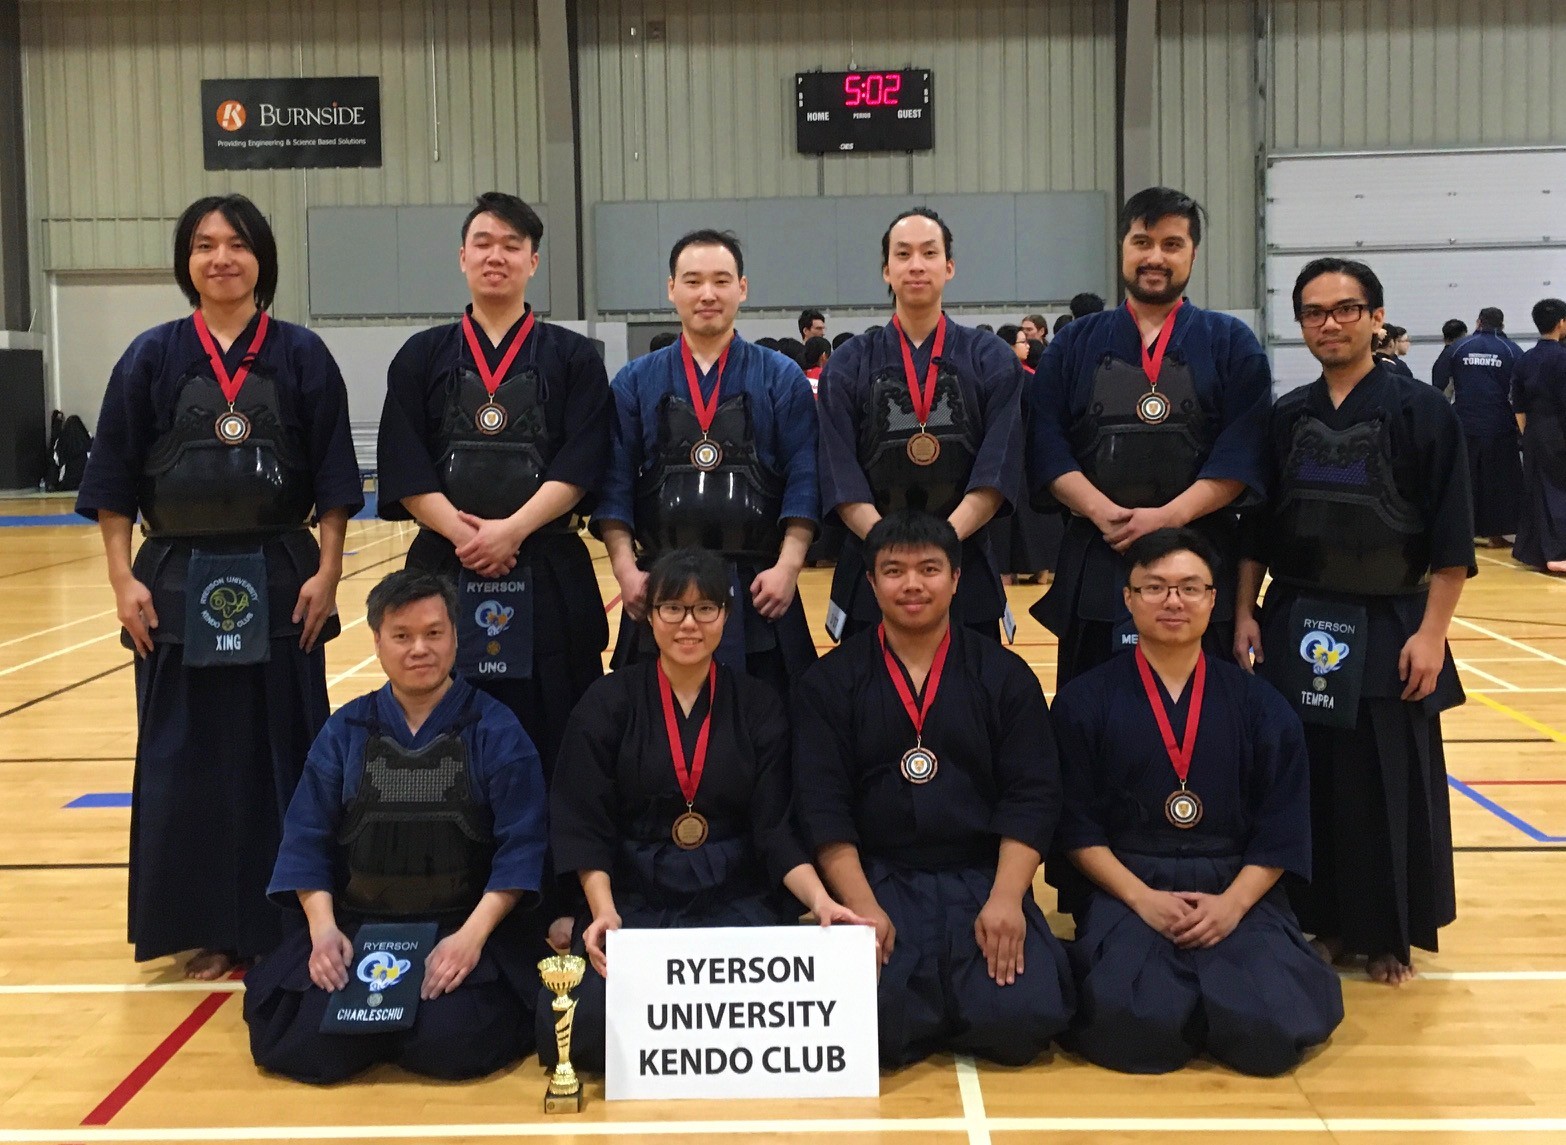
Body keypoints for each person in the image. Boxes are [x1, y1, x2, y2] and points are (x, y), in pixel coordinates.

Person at [75, 194, 361, 979]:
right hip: (173, 582)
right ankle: (201, 924)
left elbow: (335, 481)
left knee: (286, 747)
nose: (221, 258)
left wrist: (328, 571)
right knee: (186, 756)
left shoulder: (301, 355)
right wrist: (122, 576)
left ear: (262, 258)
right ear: (187, 262)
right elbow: (112, 483)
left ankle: (288, 918)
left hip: (280, 575)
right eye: (204, 246)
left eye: (236, 244)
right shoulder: (150, 356)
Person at [1234, 256, 1474, 987]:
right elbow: (1257, 530)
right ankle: (1321, 919)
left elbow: (1450, 539)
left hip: (1390, 621)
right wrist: (1244, 609)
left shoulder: (1424, 413)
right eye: (1313, 312)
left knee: (1384, 779)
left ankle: (1387, 933)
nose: (1328, 323)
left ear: (1375, 317)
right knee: (1309, 776)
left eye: (1344, 309)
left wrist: (1432, 632)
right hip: (1299, 615)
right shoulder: (1286, 417)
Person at [542, 548, 868, 1072]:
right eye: (673, 609)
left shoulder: (759, 704)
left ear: (726, 618)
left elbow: (777, 826)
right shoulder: (607, 702)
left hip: (734, 894)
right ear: (650, 617)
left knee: (785, 1028)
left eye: (705, 610)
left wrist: (821, 901)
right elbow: (585, 819)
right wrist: (602, 910)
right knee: (584, 1035)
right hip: (636, 895)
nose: (688, 625)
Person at [1053, 528, 1342, 1076]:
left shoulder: (1261, 705)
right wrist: (1141, 899)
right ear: (1128, 599)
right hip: (1131, 879)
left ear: (1214, 599)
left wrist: (1232, 905)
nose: (1173, 601)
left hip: (1234, 881)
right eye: (1155, 587)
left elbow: (1281, 827)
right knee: (1130, 1028)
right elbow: (1075, 827)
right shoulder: (1083, 702)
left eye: (1190, 588)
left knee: (1271, 1030)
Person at [793, 510, 1075, 1067]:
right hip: (880, 879)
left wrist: (1006, 898)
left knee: (1021, 1024)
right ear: (870, 583)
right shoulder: (830, 683)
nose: (913, 585)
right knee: (871, 1032)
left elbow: (1032, 795)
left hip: (980, 878)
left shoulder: (1006, 676)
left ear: (957, 578)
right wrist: (862, 907)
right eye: (894, 571)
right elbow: (822, 806)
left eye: (929, 569)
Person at [244, 571, 548, 1083]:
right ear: (378, 643)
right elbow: (305, 840)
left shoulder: (496, 729)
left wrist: (471, 939)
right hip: (357, 931)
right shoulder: (345, 729)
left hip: (458, 929)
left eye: (434, 633)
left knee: (451, 1046)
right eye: (402, 636)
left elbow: (522, 847)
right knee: (307, 1048)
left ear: (456, 636)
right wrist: (323, 933)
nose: (419, 650)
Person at [376, 192, 610, 782]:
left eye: (513, 245)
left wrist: (511, 531)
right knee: (446, 729)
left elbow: (581, 463)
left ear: (533, 262)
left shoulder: (574, 357)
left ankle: (556, 870)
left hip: (547, 565)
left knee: (557, 732)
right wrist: (466, 535)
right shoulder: (420, 356)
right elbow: (406, 466)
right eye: (483, 243)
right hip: (445, 569)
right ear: (462, 257)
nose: (496, 256)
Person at [1028, 186, 1271, 692]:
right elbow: (1046, 441)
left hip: (1201, 564)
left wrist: (1167, 519)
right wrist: (1101, 512)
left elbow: (1240, 453)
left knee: (1203, 728)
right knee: (1090, 719)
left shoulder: (1231, 343)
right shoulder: (1075, 342)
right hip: (1099, 563)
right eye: (1142, 242)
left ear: (1193, 253)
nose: (1154, 257)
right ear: (1122, 248)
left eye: (1171, 244)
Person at [596, 230, 820, 695]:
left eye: (721, 280)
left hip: (760, 585)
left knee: (770, 728)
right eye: (693, 281)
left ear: (743, 288)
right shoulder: (635, 381)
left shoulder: (781, 376)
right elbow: (614, 482)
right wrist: (625, 570)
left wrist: (789, 567)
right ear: (671, 288)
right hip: (661, 583)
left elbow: (805, 475)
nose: (707, 294)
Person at [817, 207, 1023, 643]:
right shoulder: (849, 363)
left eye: (929, 253)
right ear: (886, 270)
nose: (916, 265)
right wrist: (891, 553)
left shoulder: (992, 358)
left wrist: (940, 546)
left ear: (948, 267)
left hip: (964, 566)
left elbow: (997, 465)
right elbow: (839, 470)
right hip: (872, 569)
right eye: (903, 254)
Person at [1433, 307, 1525, 546]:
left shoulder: (1458, 348)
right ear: (1502, 325)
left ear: (1478, 322)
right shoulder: (1511, 350)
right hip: (1500, 428)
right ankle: (1498, 532)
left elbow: (1441, 386)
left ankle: (1466, 531)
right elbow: (1518, 394)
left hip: (1466, 425)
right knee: (1500, 482)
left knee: (1466, 480)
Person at [1512, 298, 1566, 572]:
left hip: (1533, 432)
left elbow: (1517, 404)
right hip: (1559, 430)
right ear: (1561, 323)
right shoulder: (1563, 358)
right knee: (1559, 490)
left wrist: (1529, 435)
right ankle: (1558, 553)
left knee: (1535, 491)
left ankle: (1532, 552)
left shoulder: (1525, 359)